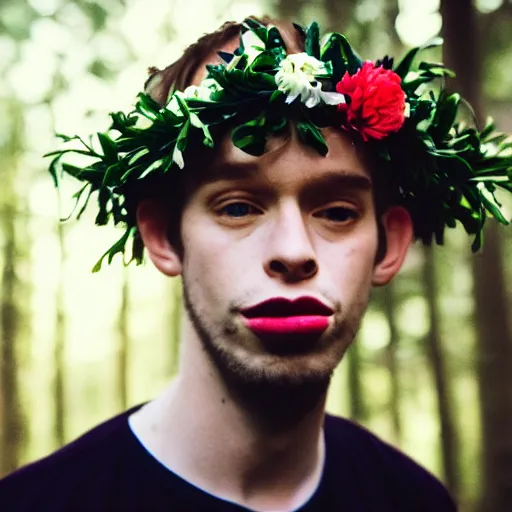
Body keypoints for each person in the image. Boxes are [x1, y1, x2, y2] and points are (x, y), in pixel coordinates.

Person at [2, 15, 511, 512]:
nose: (293, 251)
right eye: (238, 207)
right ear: (163, 236)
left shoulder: (413, 500)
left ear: (389, 244)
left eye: (336, 212)